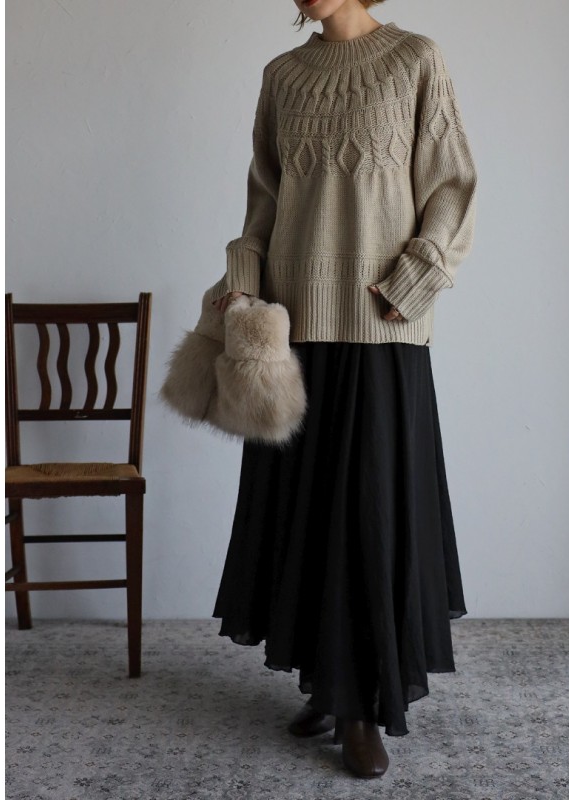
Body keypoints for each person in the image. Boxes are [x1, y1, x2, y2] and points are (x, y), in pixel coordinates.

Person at [208, 0, 478, 780]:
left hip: (381, 323)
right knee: (308, 513)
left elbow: (453, 184)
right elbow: (265, 199)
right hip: (293, 327)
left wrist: (415, 280)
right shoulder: (283, 76)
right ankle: (325, 684)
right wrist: (242, 285)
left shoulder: (415, 59)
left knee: (369, 516)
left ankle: (362, 706)